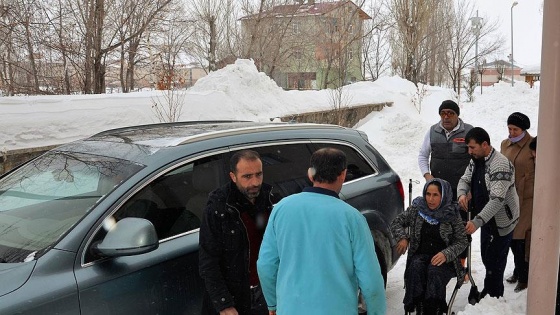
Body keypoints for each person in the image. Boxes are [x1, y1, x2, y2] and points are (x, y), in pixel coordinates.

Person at [257, 148, 386, 315]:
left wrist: (273, 304)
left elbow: (266, 265)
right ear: (343, 174)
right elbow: (371, 279)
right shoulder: (352, 218)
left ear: (310, 174)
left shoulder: (281, 209)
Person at [199, 150, 273, 315]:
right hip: (236, 296)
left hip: (266, 293)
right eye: (247, 176)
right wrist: (224, 304)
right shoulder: (219, 208)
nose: (255, 182)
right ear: (233, 177)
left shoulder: (270, 199)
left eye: (259, 174)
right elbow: (208, 261)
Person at [457, 127, 520, 299]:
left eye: (472, 148)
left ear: (485, 145)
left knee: (496, 261)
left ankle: (494, 297)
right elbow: (465, 178)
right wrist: (462, 193)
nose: (470, 152)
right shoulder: (476, 159)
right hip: (486, 219)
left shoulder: (500, 165)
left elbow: (497, 200)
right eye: (468, 148)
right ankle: (489, 290)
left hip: (502, 221)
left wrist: (476, 222)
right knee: (486, 256)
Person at [391, 178, 468, 315]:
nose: (430, 199)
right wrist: (403, 237)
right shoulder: (417, 209)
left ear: (443, 196)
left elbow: (462, 241)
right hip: (420, 256)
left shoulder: (451, 214)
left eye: (435, 195)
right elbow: (396, 222)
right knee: (415, 268)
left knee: (434, 271)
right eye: (428, 194)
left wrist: (446, 253)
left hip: (445, 261)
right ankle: (418, 306)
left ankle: (433, 309)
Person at [418, 100, 473, 276]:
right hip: (439, 191)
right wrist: (428, 177)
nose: (446, 117)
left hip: (461, 190)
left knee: (461, 228)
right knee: (440, 226)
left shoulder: (469, 131)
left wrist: (470, 187)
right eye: (443, 113)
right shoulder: (433, 131)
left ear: (457, 114)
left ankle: (461, 264)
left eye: (450, 113)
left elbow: (476, 160)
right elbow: (422, 155)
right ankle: (442, 261)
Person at [500, 112, 535, 293]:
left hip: (527, 199)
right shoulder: (505, 144)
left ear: (524, 129)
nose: (512, 132)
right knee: (512, 237)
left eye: (515, 129)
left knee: (519, 238)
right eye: (510, 128)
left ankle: (524, 276)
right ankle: (518, 270)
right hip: (509, 198)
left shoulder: (533, 145)